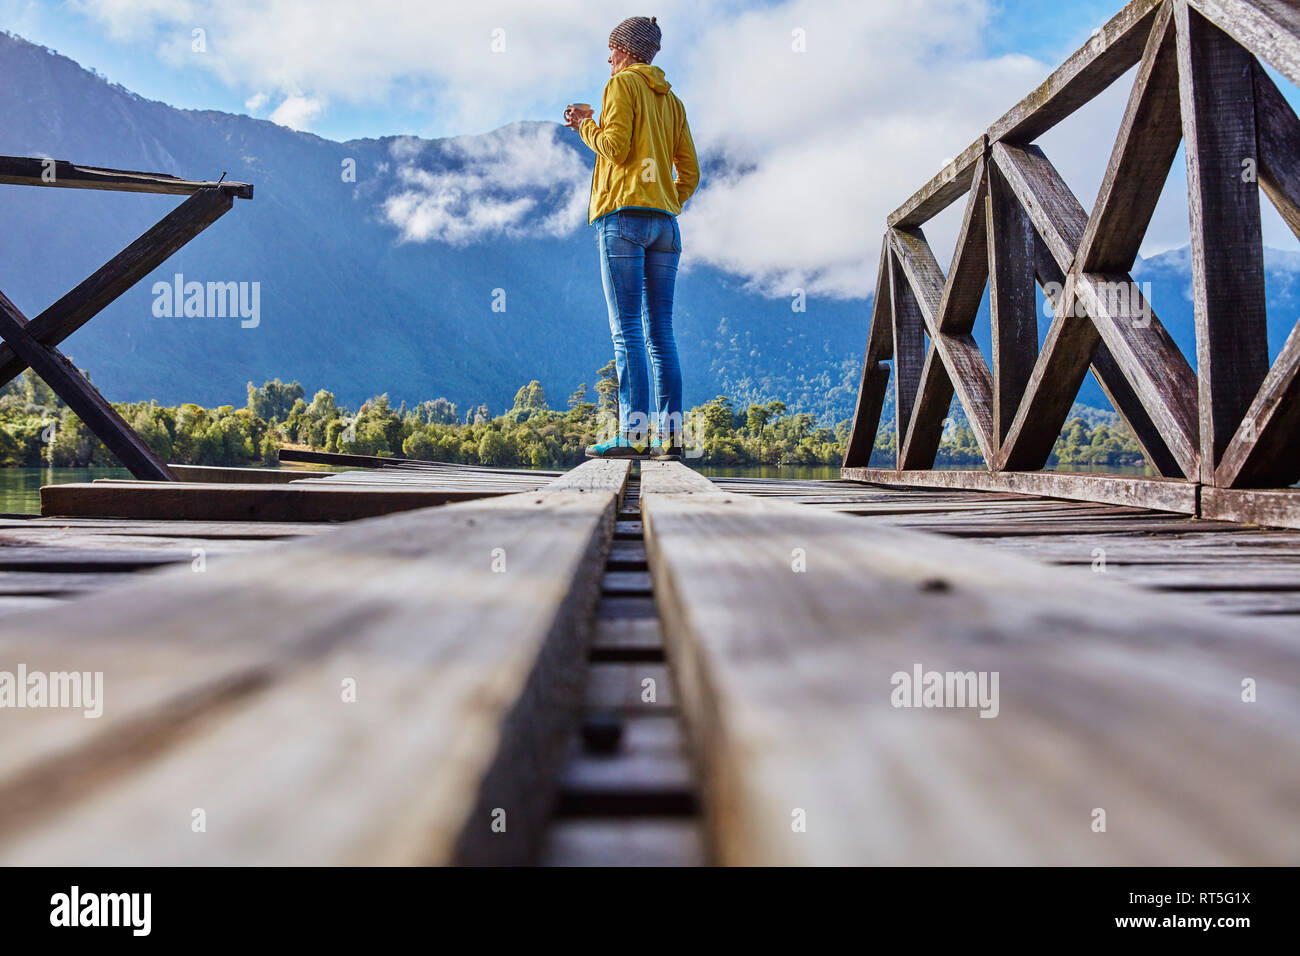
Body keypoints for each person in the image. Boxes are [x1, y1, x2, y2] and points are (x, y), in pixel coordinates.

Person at [565, 15, 699, 460]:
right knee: (661, 332)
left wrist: (586, 124)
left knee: (626, 332)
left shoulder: (621, 86)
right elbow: (690, 172)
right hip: (665, 225)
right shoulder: (673, 102)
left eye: (612, 49)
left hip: (621, 219)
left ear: (626, 51)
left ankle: (633, 437)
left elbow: (616, 148)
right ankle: (672, 437)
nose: (608, 57)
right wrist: (667, 200)